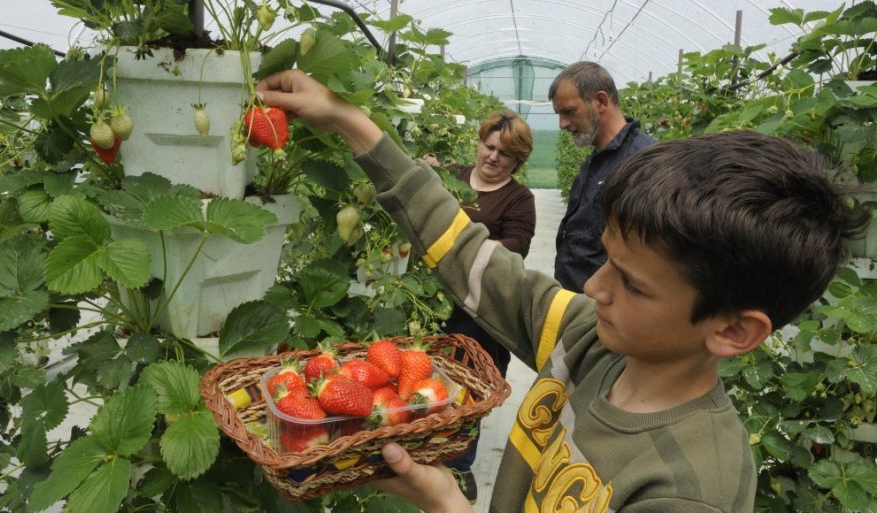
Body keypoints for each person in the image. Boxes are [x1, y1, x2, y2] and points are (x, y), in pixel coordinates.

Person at [255, 70, 866, 513]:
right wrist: (351, 122)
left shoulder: (686, 487)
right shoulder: (587, 341)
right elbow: (473, 258)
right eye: (608, 259)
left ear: (734, 330)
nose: (595, 286)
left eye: (630, 282)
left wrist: (447, 505)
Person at [427, 110, 536, 503]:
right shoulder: (452, 176)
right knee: (432, 380)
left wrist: (460, 245)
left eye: (504, 154)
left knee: (471, 386)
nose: (492, 157)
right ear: (479, 142)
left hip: (481, 310)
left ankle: (460, 465)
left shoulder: (519, 198)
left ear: (517, 162)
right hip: (430, 301)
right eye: (488, 146)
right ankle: (426, 452)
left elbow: (517, 247)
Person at [551, 61, 655, 292]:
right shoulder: (596, 159)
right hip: (579, 302)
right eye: (559, 115)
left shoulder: (642, 163)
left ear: (600, 101)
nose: (562, 124)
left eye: (569, 112)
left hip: (606, 305)